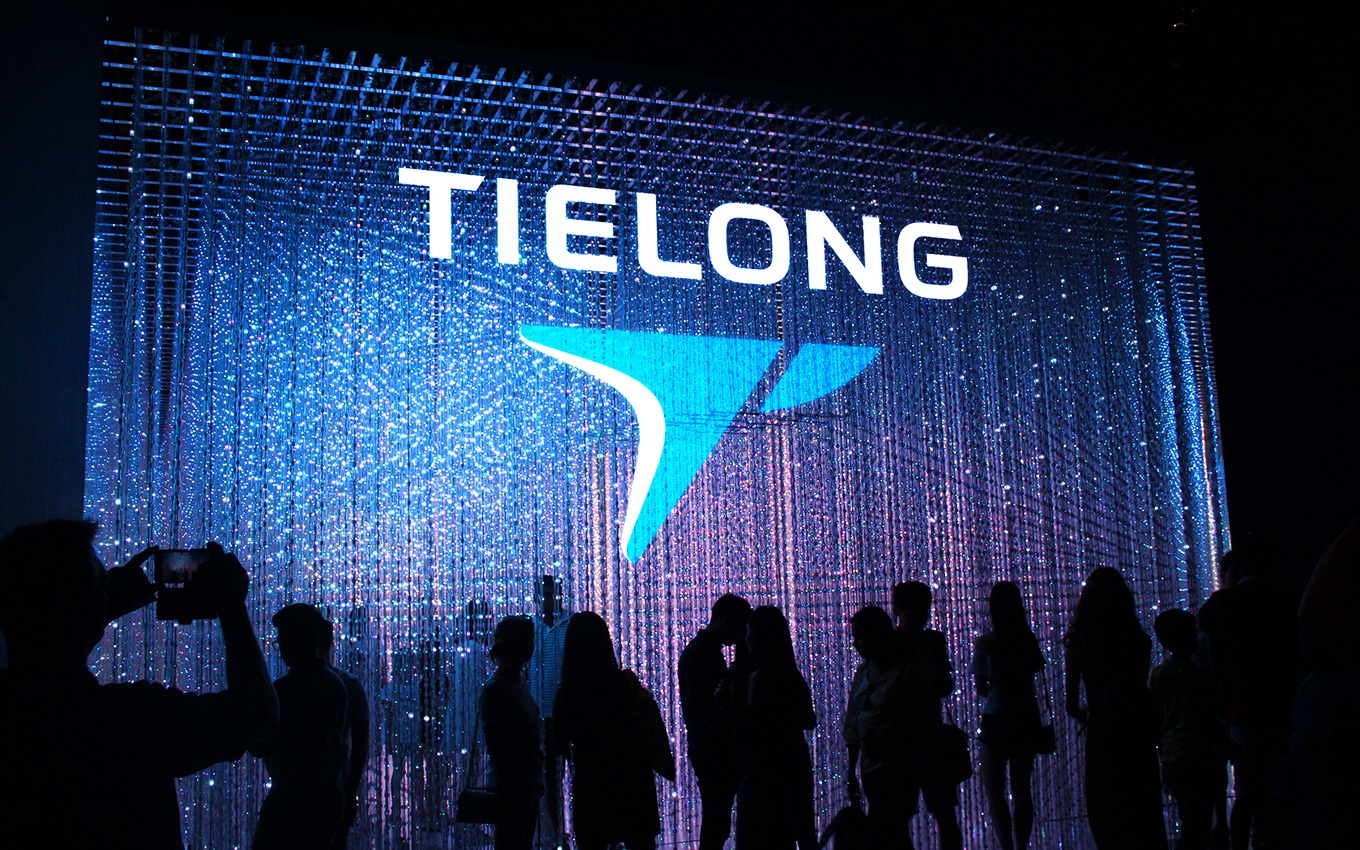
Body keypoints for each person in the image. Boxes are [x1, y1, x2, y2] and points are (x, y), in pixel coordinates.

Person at [0, 520, 278, 849]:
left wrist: (99, 606)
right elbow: (256, 716)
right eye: (102, 583)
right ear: (79, 605)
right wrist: (231, 605)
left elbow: (51, 641)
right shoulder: (126, 720)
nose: (109, 589)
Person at [1197, 538, 1299, 850]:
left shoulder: (1221, 605)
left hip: (1241, 708)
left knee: (1248, 790)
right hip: (1283, 706)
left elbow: (1211, 659)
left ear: (1237, 569)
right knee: (1281, 785)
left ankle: (1244, 843)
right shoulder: (1284, 600)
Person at [1063, 567, 1167, 850]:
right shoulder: (1139, 641)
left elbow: (1071, 705)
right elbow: (1137, 690)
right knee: (1143, 812)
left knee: (1107, 813)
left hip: (1102, 735)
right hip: (1136, 735)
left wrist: (1089, 713)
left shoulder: (1078, 642)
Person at [552, 611, 663, 850]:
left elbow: (557, 744)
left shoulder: (569, 693)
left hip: (593, 782)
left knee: (594, 841)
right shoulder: (625, 682)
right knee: (639, 841)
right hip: (633, 778)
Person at [251, 603, 349, 850]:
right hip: (328, 797)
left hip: (291, 802)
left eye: (282, 640)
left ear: (296, 639)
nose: (281, 647)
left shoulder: (286, 690)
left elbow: (260, 746)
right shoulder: (336, 684)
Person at [844, 605, 928, 849]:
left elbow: (925, 723)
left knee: (886, 829)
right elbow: (853, 722)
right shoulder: (863, 672)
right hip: (871, 766)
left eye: (860, 637)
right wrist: (851, 772)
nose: (855, 644)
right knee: (892, 834)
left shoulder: (906, 672)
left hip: (898, 767)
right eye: (854, 637)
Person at [735, 605, 818, 850]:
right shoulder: (792, 676)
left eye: (749, 631)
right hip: (793, 765)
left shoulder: (757, 678)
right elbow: (809, 720)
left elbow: (749, 726)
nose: (746, 638)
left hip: (762, 770)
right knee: (799, 831)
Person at [972, 581, 1046, 850]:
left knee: (995, 792)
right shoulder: (1027, 639)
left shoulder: (986, 643)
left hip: (996, 718)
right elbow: (1036, 669)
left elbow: (981, 688)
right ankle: (1022, 846)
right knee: (1022, 789)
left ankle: (1007, 847)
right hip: (1026, 717)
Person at [891, 581, 963, 850]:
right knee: (911, 815)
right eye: (916, 608)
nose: (921, 614)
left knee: (939, 812)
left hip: (922, 738)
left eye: (923, 608)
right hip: (908, 738)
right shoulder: (897, 642)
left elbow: (945, 685)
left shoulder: (929, 641)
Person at [679, 593, 752, 850]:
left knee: (717, 818)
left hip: (709, 747)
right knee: (716, 819)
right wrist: (731, 731)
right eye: (740, 629)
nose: (741, 637)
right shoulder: (702, 654)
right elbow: (705, 709)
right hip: (712, 749)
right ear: (726, 623)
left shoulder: (702, 652)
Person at [1150, 609, 1227, 850]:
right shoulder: (1199, 676)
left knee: (1188, 817)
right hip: (1198, 755)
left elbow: (1157, 720)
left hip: (1172, 757)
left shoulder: (1158, 675)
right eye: (1193, 630)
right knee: (1199, 820)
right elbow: (1208, 717)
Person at [481, 616, 544, 850]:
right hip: (512, 790)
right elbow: (496, 745)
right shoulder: (497, 689)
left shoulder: (518, 683)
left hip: (526, 786)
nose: (533, 646)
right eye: (529, 640)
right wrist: (515, 788)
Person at [527, 575, 570, 847]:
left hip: (568, 714)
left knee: (578, 775)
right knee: (550, 780)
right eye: (544, 595)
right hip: (541, 715)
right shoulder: (531, 628)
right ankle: (556, 834)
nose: (548, 600)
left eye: (552, 594)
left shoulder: (571, 624)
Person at [321, 618, 370, 850]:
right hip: (333, 788)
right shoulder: (349, 684)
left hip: (314, 792)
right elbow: (360, 745)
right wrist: (350, 793)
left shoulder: (282, 688)